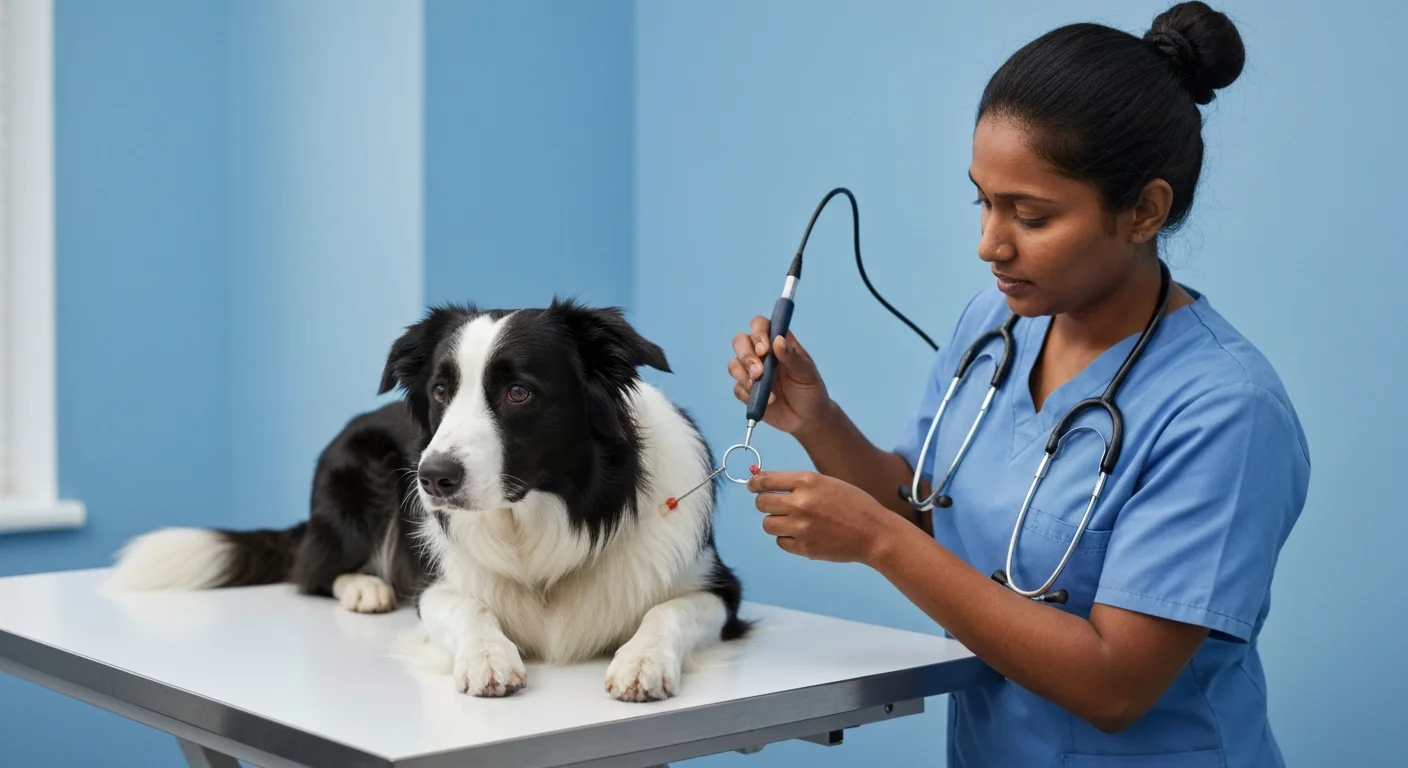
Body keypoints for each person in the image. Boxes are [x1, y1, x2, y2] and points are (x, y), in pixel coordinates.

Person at [727, 3, 1310, 766]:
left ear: (1144, 211)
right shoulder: (994, 328)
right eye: (984, 200)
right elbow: (928, 510)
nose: (988, 244)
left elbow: (1114, 685)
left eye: (1029, 216)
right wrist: (819, 421)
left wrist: (875, 542)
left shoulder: (1224, 412)